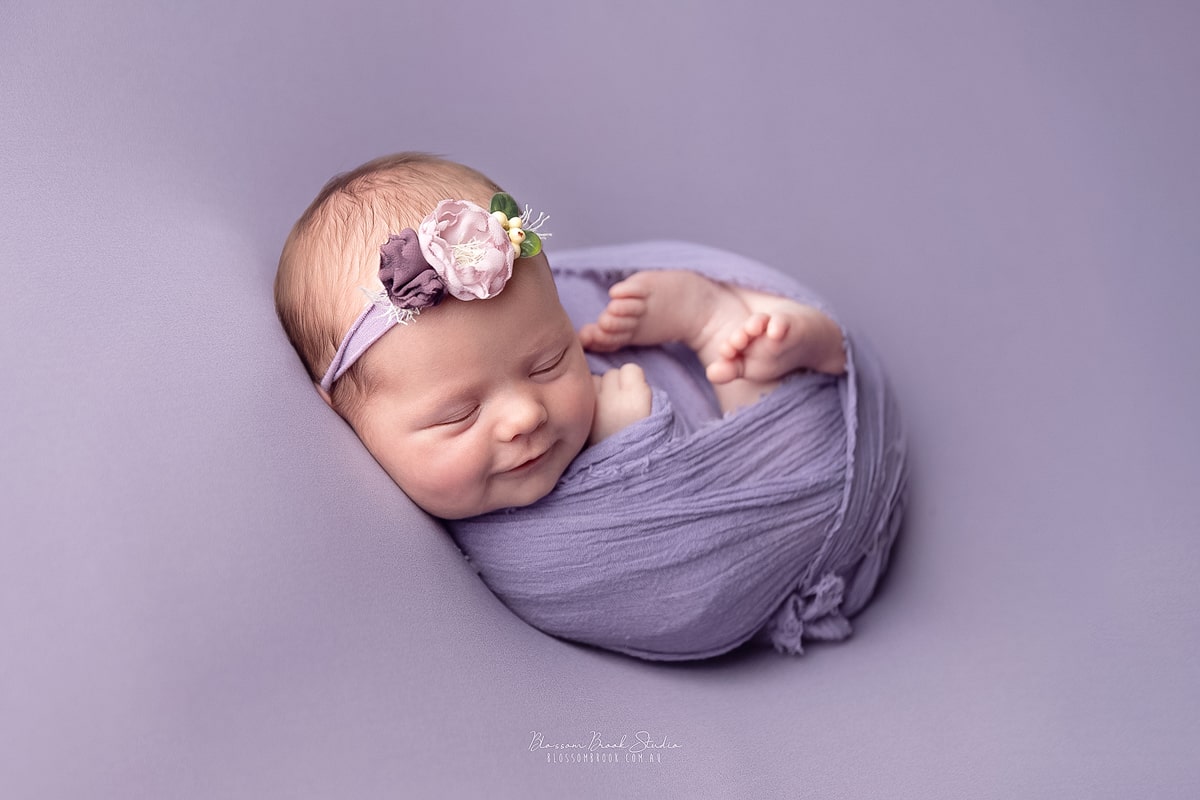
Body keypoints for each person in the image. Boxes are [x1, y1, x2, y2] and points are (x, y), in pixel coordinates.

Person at [275, 152, 847, 519]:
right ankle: (728, 329)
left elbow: (695, 519)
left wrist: (626, 445)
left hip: (749, 460)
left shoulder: (581, 383)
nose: (526, 415)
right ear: (344, 415)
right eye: (459, 415)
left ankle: (721, 328)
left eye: (549, 362)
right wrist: (622, 447)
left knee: (786, 468)